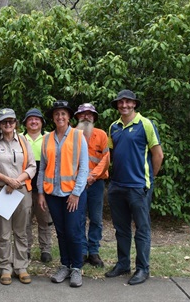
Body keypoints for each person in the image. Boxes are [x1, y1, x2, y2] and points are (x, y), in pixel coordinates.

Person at [104, 90, 164, 285]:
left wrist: (149, 179)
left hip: (138, 187)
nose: (124, 105)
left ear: (134, 104)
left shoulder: (145, 124)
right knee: (121, 229)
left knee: (142, 229)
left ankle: (142, 269)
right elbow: (110, 156)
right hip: (117, 186)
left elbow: (158, 155)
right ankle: (123, 264)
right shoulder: (114, 126)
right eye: (120, 102)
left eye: (128, 102)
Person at [37, 100, 89, 288]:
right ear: (53, 117)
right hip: (53, 194)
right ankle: (64, 265)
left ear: (69, 117)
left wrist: (76, 193)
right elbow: (42, 168)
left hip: (72, 195)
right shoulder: (47, 139)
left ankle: (76, 268)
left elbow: (84, 167)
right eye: (57, 114)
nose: (60, 117)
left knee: (73, 231)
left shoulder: (78, 136)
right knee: (60, 232)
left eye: (63, 114)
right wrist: (41, 193)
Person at [0, 108, 36, 285]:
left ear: (16, 123)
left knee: (21, 232)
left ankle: (21, 267)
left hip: (21, 190)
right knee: (4, 233)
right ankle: (5, 267)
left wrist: (16, 182)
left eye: (11, 121)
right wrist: (7, 180)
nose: (8, 124)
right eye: (4, 121)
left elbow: (31, 166)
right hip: (1, 191)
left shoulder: (23, 141)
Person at [74, 103, 110, 268]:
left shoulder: (102, 135)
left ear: (94, 117)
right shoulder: (72, 135)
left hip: (96, 183)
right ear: (77, 117)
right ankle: (81, 251)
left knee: (96, 219)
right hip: (77, 184)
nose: (86, 117)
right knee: (79, 218)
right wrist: (81, 178)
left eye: (90, 114)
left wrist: (92, 176)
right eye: (83, 114)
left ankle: (94, 251)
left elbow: (106, 158)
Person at [22, 108, 53, 263]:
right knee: (25, 221)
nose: (33, 122)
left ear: (42, 122)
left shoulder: (49, 138)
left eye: (37, 119)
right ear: (25, 123)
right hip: (24, 187)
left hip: (44, 188)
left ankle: (46, 249)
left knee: (44, 220)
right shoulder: (20, 138)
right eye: (30, 119)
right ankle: (25, 249)